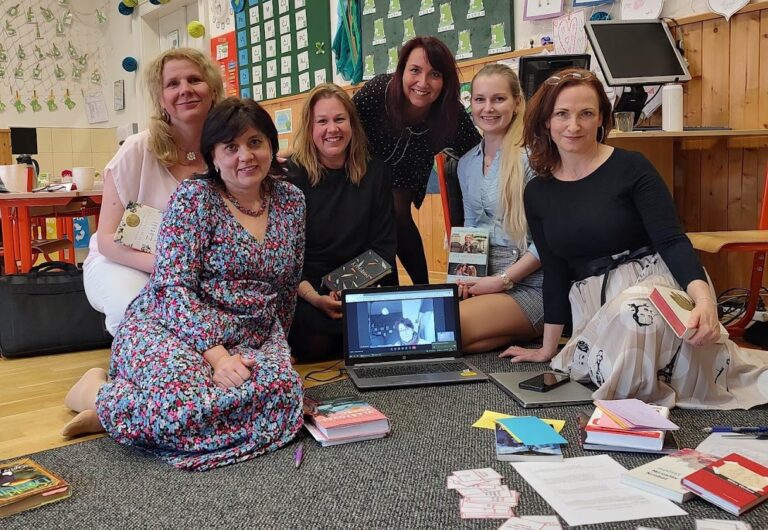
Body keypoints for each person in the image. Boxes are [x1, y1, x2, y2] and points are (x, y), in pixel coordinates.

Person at [60, 98, 307, 470]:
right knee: (181, 406)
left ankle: (121, 412)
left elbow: (287, 284)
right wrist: (218, 358)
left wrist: (279, 349)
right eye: (231, 147)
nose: (245, 156)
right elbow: (172, 289)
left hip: (251, 331)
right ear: (213, 156)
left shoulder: (291, 201)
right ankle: (95, 393)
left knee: (284, 393)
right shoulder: (193, 199)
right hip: (173, 325)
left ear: (271, 146)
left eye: (255, 142)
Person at [505, 68, 768, 409]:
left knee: (634, 314)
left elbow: (671, 240)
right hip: (595, 302)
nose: (574, 126)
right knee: (611, 354)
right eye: (562, 114)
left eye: (586, 113)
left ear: (602, 119)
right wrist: (547, 348)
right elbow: (555, 271)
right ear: (545, 121)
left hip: (653, 284)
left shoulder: (632, 166)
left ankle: (626, 416)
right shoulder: (537, 191)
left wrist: (704, 301)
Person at [83, 48, 224, 335]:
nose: (185, 90)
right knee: (137, 310)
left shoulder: (227, 150)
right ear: (161, 99)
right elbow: (107, 240)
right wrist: (170, 267)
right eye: (172, 84)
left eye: (194, 80)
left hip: (197, 269)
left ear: (212, 90)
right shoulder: (137, 149)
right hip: (123, 262)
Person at [353, 36, 481, 285]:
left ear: (445, 80)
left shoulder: (450, 112)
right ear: (401, 71)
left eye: (435, 74)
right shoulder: (378, 92)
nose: (423, 82)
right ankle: (392, 288)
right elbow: (340, 124)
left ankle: (421, 285)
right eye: (415, 70)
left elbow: (477, 152)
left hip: (407, 173)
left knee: (398, 211)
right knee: (378, 220)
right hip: (363, 171)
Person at [285, 83, 396, 362]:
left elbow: (383, 247)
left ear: (352, 124)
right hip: (307, 289)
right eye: (322, 121)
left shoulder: (376, 173)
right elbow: (285, 257)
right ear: (310, 128)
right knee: (313, 340)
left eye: (339, 119)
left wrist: (346, 289)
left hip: (360, 285)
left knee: (393, 328)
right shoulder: (291, 176)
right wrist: (316, 296)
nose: (332, 129)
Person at [456, 64, 544, 353]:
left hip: (530, 286)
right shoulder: (467, 163)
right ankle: (513, 332)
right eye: (479, 99)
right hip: (484, 283)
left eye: (498, 99)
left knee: (445, 327)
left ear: (517, 102)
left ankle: (527, 327)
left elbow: (548, 241)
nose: (488, 108)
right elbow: (471, 229)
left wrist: (502, 281)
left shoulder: (534, 158)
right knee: (445, 337)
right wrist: (465, 278)